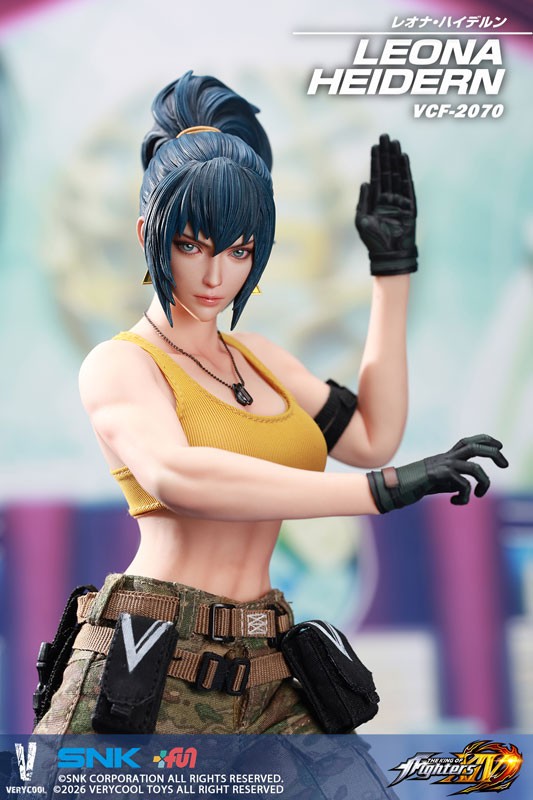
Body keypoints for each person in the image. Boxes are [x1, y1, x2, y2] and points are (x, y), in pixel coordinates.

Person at [32, 71, 507, 737]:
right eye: (190, 244)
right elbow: (180, 476)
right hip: (151, 659)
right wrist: (381, 491)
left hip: (269, 658)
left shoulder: (261, 358)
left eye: (239, 250)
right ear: (147, 232)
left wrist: (391, 270)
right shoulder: (120, 364)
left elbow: (372, 437)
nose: (215, 275)